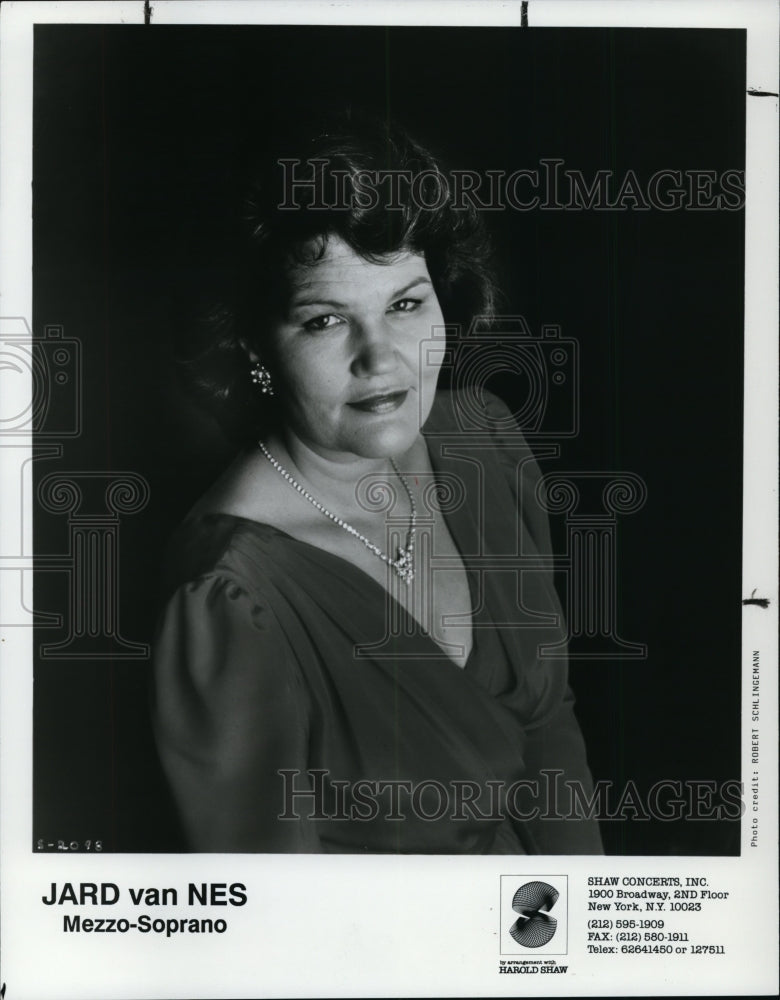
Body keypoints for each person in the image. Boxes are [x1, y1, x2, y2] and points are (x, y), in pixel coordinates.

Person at [152, 113, 603, 854]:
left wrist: (586, 947)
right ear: (253, 344)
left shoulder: (482, 441)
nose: (381, 359)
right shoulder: (229, 600)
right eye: (326, 320)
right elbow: (271, 928)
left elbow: (550, 730)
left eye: (404, 304)